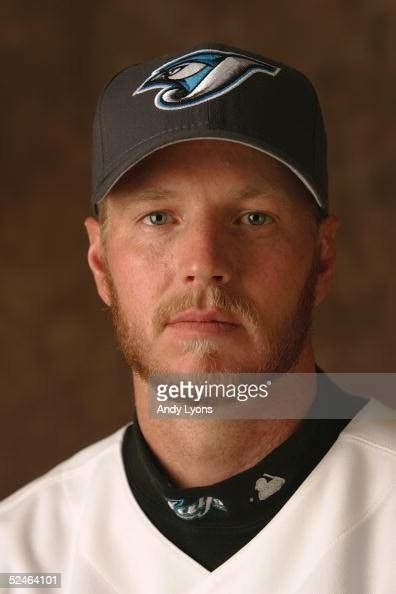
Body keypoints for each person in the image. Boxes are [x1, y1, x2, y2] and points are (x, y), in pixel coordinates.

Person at [1, 42, 395, 593]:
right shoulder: (19, 553)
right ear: (100, 263)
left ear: (322, 258)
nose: (204, 263)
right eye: (158, 217)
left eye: (254, 218)